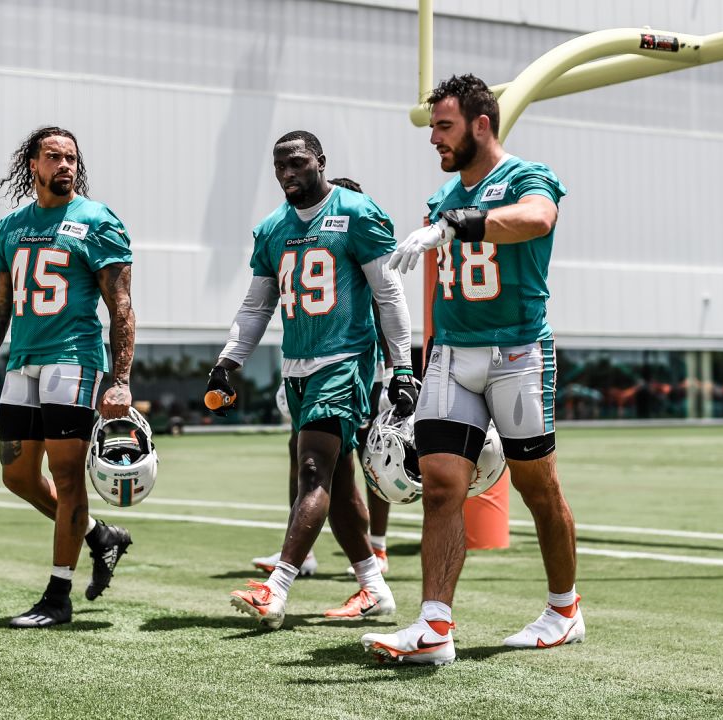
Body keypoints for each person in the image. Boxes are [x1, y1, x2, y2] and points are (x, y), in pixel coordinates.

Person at [362, 75, 581, 664]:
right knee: (439, 487)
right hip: (452, 356)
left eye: (444, 126)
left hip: (516, 352)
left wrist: (458, 223)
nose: (433, 137)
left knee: (538, 488)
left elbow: (536, 219)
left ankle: (564, 610)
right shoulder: (442, 196)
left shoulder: (526, 176)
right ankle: (435, 627)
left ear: (481, 124)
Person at [209, 132, 416, 629]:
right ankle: (373, 586)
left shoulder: (357, 212)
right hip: (298, 366)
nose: (287, 173)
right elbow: (258, 304)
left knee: (311, 468)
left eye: (297, 162)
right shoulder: (272, 229)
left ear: (321, 162)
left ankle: (277, 587)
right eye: (279, 165)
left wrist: (402, 367)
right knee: (339, 486)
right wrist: (228, 361)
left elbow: (388, 296)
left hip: (344, 361)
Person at [0, 126, 137, 629]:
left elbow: (121, 306)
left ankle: (57, 597)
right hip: (24, 360)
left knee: (66, 476)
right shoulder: (12, 226)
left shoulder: (97, 220)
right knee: (16, 474)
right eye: (54, 157)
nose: (65, 165)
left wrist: (119, 378)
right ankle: (100, 535)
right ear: (32, 165)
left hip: (74, 359)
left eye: (72, 158)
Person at [249, 177, 395, 579]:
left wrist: (394, 371)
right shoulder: (296, 234)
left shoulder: (359, 240)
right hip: (309, 368)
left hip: (357, 369)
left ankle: (376, 549)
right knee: (313, 460)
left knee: (365, 461)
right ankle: (316, 556)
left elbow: (387, 310)